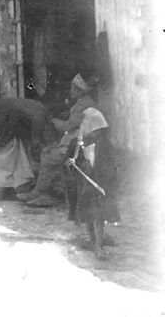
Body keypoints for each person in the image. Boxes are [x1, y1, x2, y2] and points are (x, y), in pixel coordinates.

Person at [18, 73, 97, 207]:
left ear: (79, 90)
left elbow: (69, 126)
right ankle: (50, 191)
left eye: (72, 88)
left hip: (81, 144)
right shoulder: (82, 102)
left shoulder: (85, 104)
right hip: (75, 141)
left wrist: (54, 121)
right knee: (46, 151)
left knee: (50, 158)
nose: (70, 91)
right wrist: (67, 115)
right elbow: (75, 119)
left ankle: (42, 193)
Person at [64, 107, 120, 259]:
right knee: (87, 214)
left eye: (100, 131)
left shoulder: (105, 145)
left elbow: (112, 165)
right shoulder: (76, 145)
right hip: (84, 187)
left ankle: (99, 244)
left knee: (99, 215)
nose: (98, 134)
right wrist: (70, 164)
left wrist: (109, 182)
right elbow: (68, 165)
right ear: (87, 129)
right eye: (95, 130)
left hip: (100, 185)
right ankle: (92, 240)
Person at [0, 95, 49, 200]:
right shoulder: (39, 116)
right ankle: (7, 185)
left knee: (17, 151)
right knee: (3, 150)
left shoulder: (39, 112)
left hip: (4, 113)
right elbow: (35, 142)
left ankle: (15, 182)